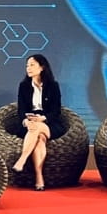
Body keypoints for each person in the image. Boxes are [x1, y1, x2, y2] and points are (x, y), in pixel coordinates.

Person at [13, 54, 64, 191]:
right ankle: (39, 177)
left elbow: (56, 111)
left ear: (42, 67)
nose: (28, 68)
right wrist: (25, 121)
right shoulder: (24, 86)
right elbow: (21, 109)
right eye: (27, 66)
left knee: (37, 127)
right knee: (40, 139)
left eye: (32, 65)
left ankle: (22, 159)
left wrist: (43, 118)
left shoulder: (53, 86)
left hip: (49, 122)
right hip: (29, 122)